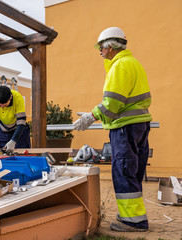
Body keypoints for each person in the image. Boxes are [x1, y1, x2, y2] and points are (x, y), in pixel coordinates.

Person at [73, 27, 152, 232]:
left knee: (124, 171)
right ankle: (133, 216)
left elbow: (112, 104)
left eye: (101, 48)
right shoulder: (134, 63)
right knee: (133, 172)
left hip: (124, 128)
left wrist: (91, 116)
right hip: (139, 126)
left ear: (110, 46)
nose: (100, 52)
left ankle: (133, 222)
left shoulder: (120, 66)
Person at [0, 85, 30, 154]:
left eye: (5, 105)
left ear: (10, 97)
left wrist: (13, 141)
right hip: (2, 130)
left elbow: (21, 122)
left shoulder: (17, 97)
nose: (2, 108)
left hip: (19, 130)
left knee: (22, 155)